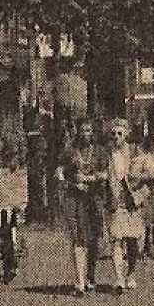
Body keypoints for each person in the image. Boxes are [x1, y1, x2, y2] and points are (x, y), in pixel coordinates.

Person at [59, 122, 106, 296]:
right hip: (75, 199)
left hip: (94, 199)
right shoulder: (70, 150)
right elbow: (60, 171)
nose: (86, 133)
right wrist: (71, 182)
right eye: (83, 130)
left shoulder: (100, 151)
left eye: (89, 130)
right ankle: (79, 282)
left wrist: (89, 178)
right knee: (78, 238)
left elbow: (106, 173)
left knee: (93, 240)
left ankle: (90, 276)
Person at [101, 118, 141, 292]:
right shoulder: (106, 154)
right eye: (113, 133)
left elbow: (142, 172)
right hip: (114, 199)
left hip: (132, 200)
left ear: (126, 134)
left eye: (119, 133)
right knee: (116, 238)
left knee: (132, 240)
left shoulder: (135, 151)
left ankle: (130, 274)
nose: (116, 136)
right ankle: (118, 277)